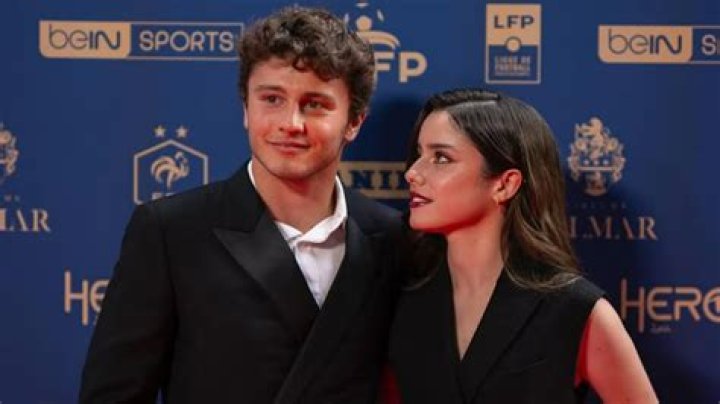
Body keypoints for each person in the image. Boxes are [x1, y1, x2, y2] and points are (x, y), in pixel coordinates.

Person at [80, 6, 402, 403]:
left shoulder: (393, 239)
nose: (291, 123)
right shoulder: (173, 232)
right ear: (246, 109)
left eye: (315, 104)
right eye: (272, 99)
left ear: (354, 122)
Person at [388, 89, 657, 403]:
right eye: (419, 154)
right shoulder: (401, 298)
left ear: (505, 184)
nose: (413, 173)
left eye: (441, 158)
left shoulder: (573, 309)